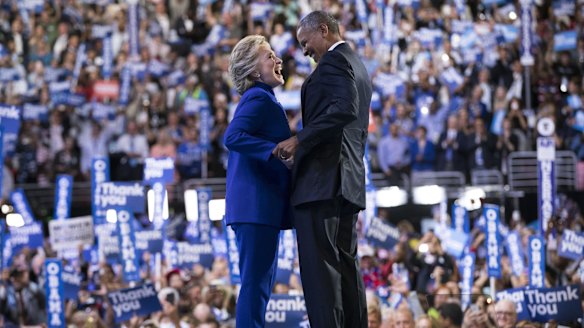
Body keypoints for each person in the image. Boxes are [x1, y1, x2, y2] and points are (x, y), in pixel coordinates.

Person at [273, 11, 373, 327]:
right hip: (346, 182)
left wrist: (299, 140)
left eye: (306, 42)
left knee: (321, 274)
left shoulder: (334, 62)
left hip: (323, 184)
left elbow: (344, 109)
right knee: (345, 265)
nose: (304, 51)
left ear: (324, 30)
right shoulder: (356, 63)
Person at [223, 35, 291, 328]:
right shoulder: (258, 97)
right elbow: (233, 137)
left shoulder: (264, 98)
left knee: (259, 287)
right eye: (269, 57)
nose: (278, 61)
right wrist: (274, 151)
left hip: (259, 209)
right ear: (253, 71)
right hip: (255, 207)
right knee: (255, 287)